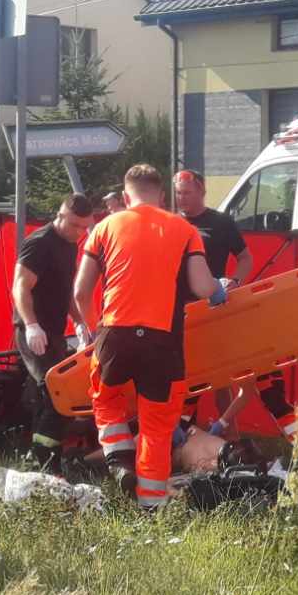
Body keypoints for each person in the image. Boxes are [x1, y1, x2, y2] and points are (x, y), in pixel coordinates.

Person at [72, 163, 221, 509]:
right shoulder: (184, 229)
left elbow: (80, 292)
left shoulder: (104, 227)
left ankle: (119, 459)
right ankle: (151, 504)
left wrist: (94, 331)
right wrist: (218, 288)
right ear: (163, 196)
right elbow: (201, 286)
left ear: (126, 197)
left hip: (115, 332)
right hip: (163, 340)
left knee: (106, 399)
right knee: (157, 425)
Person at [174, 168, 293, 435]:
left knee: (222, 378)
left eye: (187, 193)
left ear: (201, 190)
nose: (181, 199)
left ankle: (229, 437)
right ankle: (189, 440)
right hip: (183, 313)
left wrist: (234, 283)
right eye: (178, 193)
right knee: (193, 381)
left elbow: (245, 258)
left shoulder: (220, 223)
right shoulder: (172, 224)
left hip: (215, 308)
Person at [14, 192, 96, 470]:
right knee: (55, 393)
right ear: (60, 215)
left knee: (53, 395)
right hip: (34, 331)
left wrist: (79, 321)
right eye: (74, 225)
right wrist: (31, 325)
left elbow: (65, 289)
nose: (78, 232)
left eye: (84, 227)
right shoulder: (39, 243)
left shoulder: (69, 245)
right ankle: (45, 463)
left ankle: (40, 456)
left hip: (55, 333)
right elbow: (20, 286)